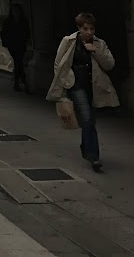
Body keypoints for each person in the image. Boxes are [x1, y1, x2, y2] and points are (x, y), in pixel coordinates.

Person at [46, 13, 118, 173]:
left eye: (92, 29)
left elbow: (109, 64)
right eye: (85, 29)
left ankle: (86, 147)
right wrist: (65, 81)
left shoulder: (99, 43)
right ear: (79, 28)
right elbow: (59, 63)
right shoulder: (69, 41)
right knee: (86, 117)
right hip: (76, 85)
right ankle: (94, 157)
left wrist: (95, 51)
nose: (89, 32)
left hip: (94, 86)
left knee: (90, 120)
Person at [2, 4, 31, 92]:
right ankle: (23, 82)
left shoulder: (23, 21)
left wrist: (26, 40)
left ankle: (18, 82)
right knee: (18, 62)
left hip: (21, 44)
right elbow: (4, 33)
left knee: (18, 63)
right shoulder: (9, 21)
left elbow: (27, 31)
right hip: (13, 45)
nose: (16, 12)